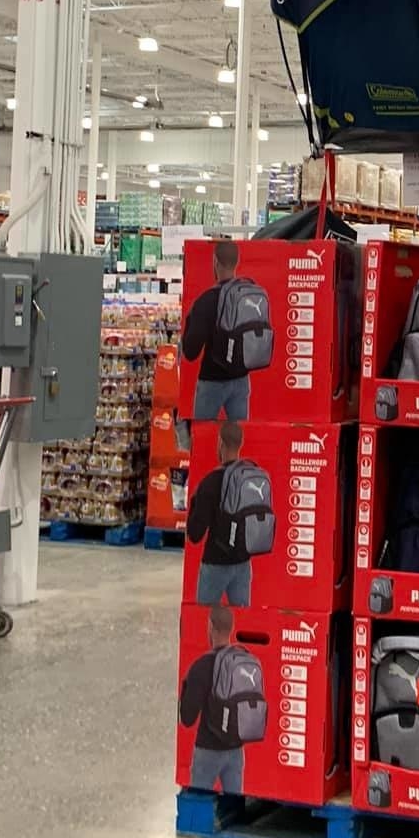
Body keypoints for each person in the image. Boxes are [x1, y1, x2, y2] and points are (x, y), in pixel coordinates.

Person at [181, 239, 253, 422]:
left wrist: (189, 322)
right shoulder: (247, 295)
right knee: (238, 436)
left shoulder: (205, 301)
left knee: (202, 437)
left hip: (211, 381)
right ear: (237, 261)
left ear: (215, 261)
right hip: (241, 379)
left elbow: (190, 352)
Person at [178, 604, 247, 794]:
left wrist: (185, 689)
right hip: (235, 751)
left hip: (207, 750)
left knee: (199, 805)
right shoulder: (242, 662)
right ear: (231, 628)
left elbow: (187, 718)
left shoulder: (200, 666)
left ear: (210, 626)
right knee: (233, 810)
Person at [187, 418, 253, 607]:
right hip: (243, 564)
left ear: (220, 443)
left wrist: (193, 502)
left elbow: (195, 534)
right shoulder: (249, 477)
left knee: (204, 617)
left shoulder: (210, 482)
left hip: (215, 563)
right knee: (241, 619)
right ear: (240, 444)